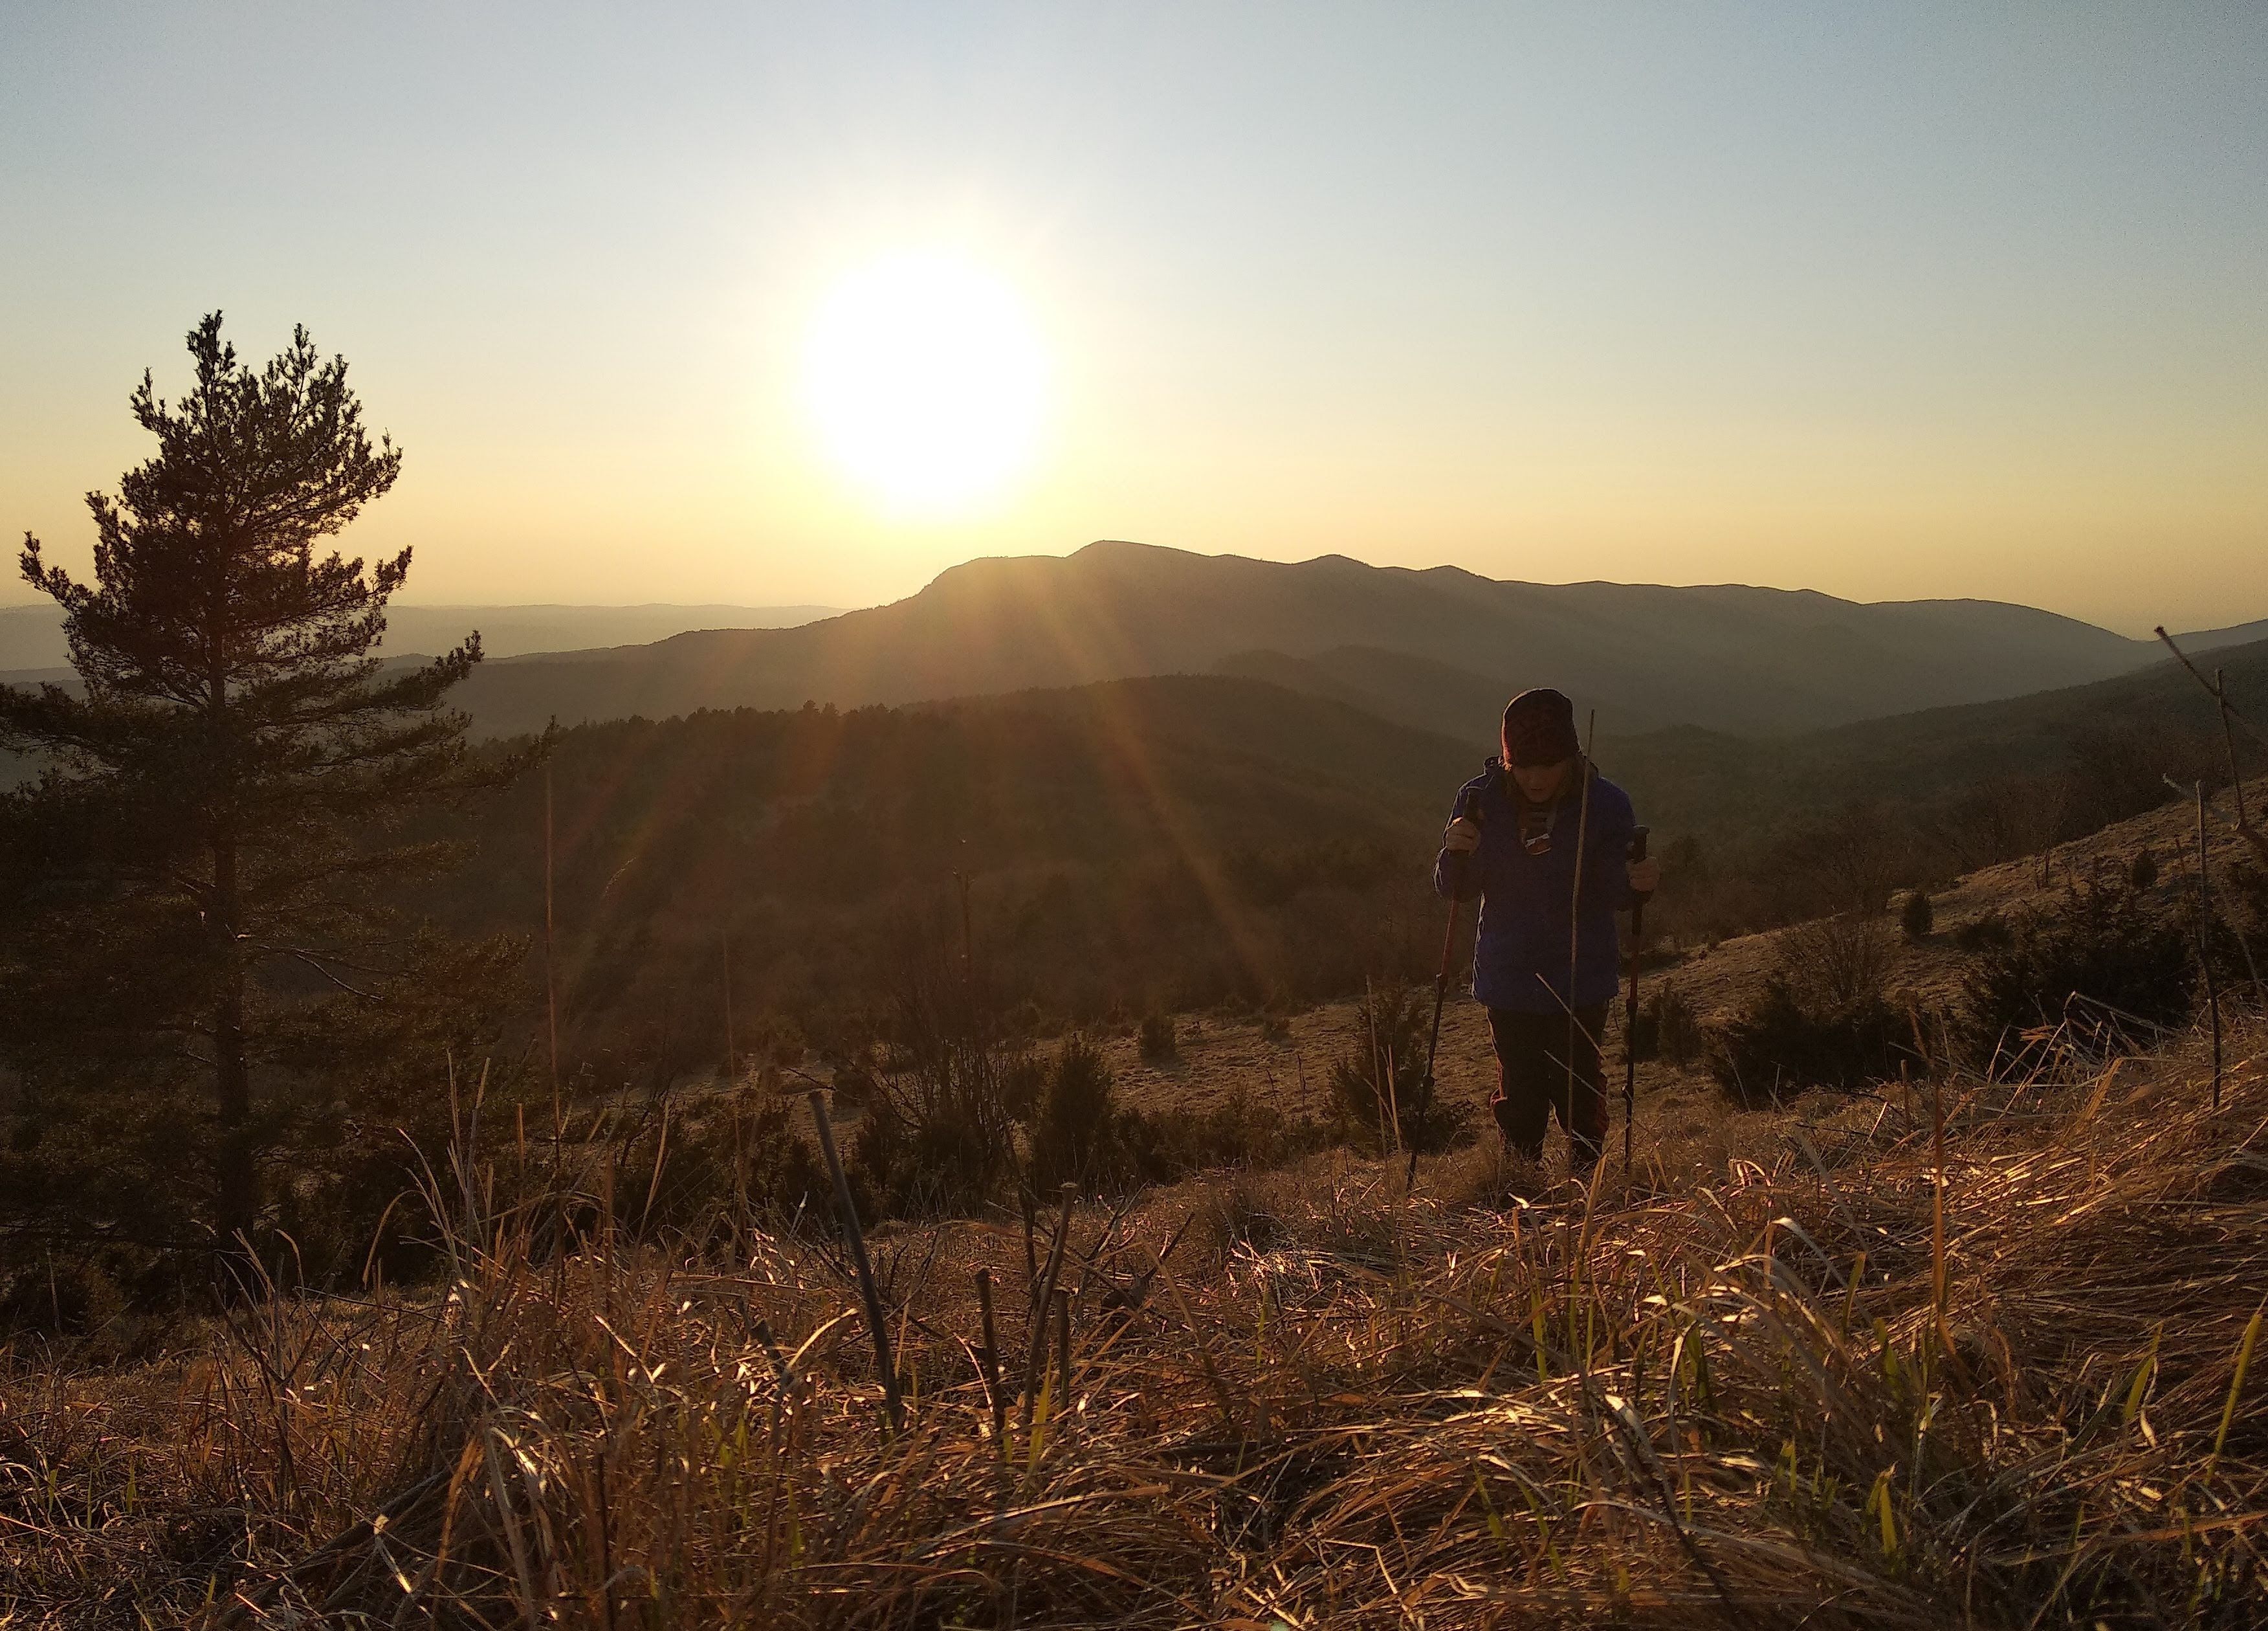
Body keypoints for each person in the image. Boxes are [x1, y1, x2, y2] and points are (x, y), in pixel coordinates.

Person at [1434, 688, 1659, 1177]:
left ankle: (1587, 1182)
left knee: (1578, 1086)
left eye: (1548, 765)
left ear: (1572, 757)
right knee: (1520, 1093)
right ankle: (1520, 1188)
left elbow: (1615, 890)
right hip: (1508, 976)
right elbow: (1456, 889)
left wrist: (1636, 884)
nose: (1535, 778)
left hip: (1580, 974)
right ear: (1506, 760)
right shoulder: (1480, 799)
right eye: (1523, 765)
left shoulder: (1603, 803)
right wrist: (1454, 853)